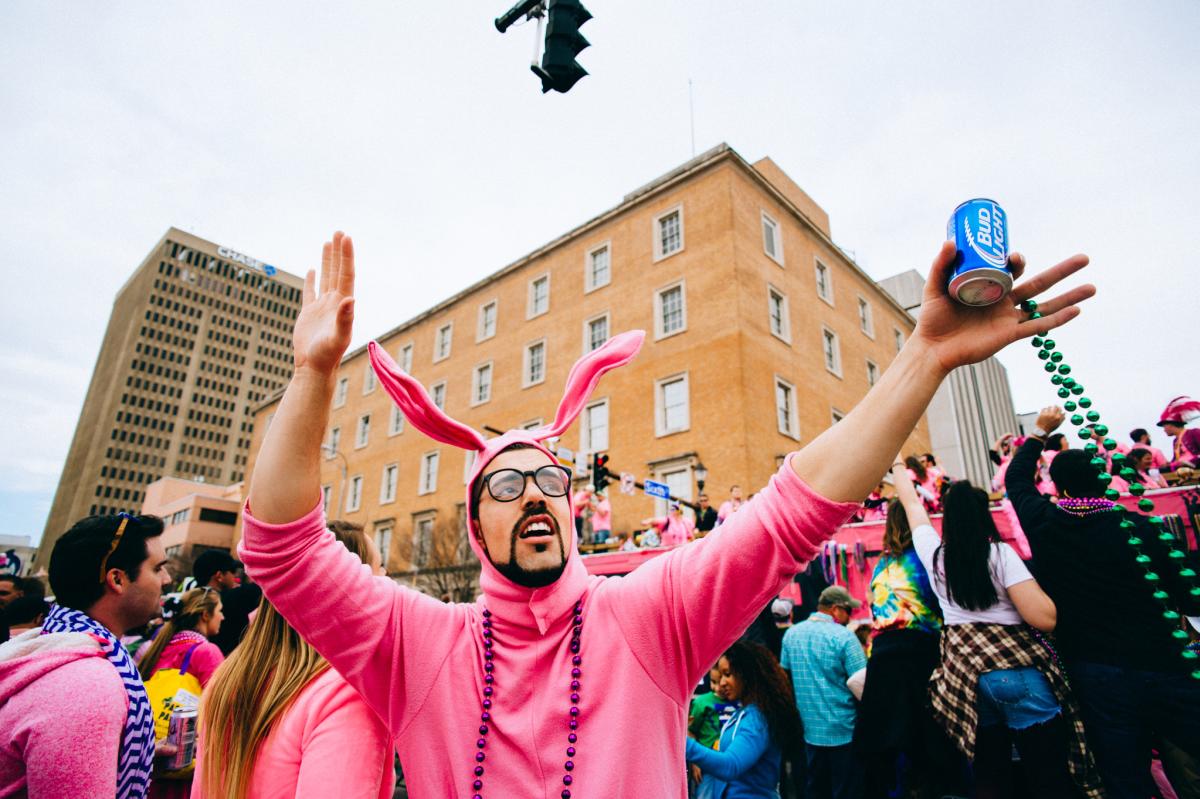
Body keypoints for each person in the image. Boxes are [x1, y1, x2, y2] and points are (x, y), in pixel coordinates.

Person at [236, 230, 1091, 794]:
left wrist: (924, 357)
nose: (534, 491)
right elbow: (282, 550)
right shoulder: (419, 645)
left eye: (551, 478)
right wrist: (314, 378)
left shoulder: (646, 613)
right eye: (505, 484)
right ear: (475, 528)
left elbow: (793, 508)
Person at [1008, 405, 1200, 798]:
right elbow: (1187, 595)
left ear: (1058, 488)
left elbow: (1016, 481)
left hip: (1096, 670)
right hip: (1164, 662)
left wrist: (1041, 433)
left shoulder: (1046, 523)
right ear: (1105, 483)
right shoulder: (1142, 529)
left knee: (1123, 773)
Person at [904, 470, 1097, 798]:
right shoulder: (1000, 555)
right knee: (1047, 773)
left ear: (947, 519)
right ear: (984, 516)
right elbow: (1044, 618)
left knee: (990, 776)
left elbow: (913, 508)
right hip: (1017, 673)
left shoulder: (935, 557)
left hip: (968, 680)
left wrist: (896, 467)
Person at [194, 522, 395, 799]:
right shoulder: (346, 695)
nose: (388, 579)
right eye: (379, 568)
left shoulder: (227, 680)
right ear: (348, 588)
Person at [0, 513, 172, 798]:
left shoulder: (54, 648)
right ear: (117, 579)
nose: (167, 580)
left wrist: (129, 754)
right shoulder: (86, 686)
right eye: (158, 568)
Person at [853, 481, 959, 799]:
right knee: (930, 744)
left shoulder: (882, 566)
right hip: (919, 653)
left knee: (886, 747)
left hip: (883, 656)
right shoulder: (925, 559)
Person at [780, 586, 866, 799]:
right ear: (836, 610)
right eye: (849, 611)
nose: (850, 617)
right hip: (844, 732)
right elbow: (864, 685)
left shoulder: (791, 635)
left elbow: (785, 678)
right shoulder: (845, 638)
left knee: (813, 792)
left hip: (808, 732)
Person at [687, 641, 801, 799]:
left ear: (746, 673)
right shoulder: (747, 712)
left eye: (728, 674)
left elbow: (731, 765)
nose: (722, 683)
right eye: (720, 676)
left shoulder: (757, 719)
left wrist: (682, 743)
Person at [1158, 396, 1200, 469]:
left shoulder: (1194, 432)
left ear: (1171, 424)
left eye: (1164, 426)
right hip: (1180, 469)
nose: (1164, 430)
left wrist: (1192, 462)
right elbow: (1177, 459)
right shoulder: (1175, 441)